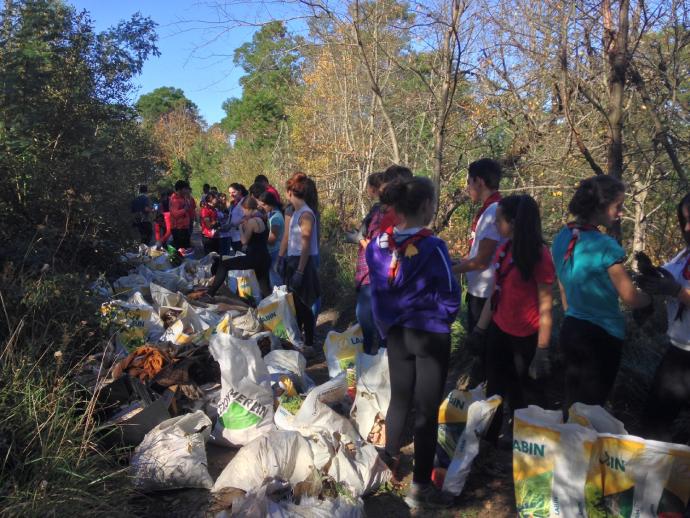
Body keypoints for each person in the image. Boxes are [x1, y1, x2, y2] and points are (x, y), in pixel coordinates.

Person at [366, 176, 460, 509]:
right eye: (433, 203)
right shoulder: (434, 247)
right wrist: (443, 318)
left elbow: (376, 293)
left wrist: (385, 328)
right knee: (426, 409)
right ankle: (419, 485)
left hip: (397, 334)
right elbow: (450, 292)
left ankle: (389, 459)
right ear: (424, 206)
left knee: (400, 399)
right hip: (430, 334)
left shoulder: (377, 244)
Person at [552, 175, 651, 414]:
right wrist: (652, 297)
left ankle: (565, 448)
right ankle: (582, 450)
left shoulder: (562, 237)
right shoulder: (605, 246)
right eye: (618, 206)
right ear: (600, 205)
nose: (620, 212)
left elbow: (562, 284)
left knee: (572, 402)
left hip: (571, 329)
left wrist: (573, 313)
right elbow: (630, 297)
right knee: (591, 410)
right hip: (601, 337)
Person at [470, 195, 555, 445]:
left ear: (515, 222)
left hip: (526, 336)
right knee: (495, 387)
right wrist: (479, 329)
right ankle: (489, 437)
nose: (495, 224)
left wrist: (542, 350)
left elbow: (546, 306)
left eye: (499, 220)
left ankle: (527, 441)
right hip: (500, 328)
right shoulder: (504, 249)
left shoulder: (540, 256)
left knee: (525, 392)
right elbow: (495, 293)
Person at [637, 194, 690, 444]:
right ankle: (652, 480)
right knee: (653, 423)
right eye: (684, 221)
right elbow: (665, 279)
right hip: (678, 353)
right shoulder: (684, 256)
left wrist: (676, 291)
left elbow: (676, 289)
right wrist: (650, 279)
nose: (687, 228)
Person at [453, 159, 504, 381]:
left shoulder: (493, 211)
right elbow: (479, 254)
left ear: (479, 181)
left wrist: (450, 269)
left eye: (469, 182)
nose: (467, 187)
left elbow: (483, 261)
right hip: (480, 292)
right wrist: (456, 261)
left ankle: (486, 406)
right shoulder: (490, 209)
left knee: (486, 357)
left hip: (486, 296)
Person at [276, 173, 320, 356]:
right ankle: (299, 341)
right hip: (293, 260)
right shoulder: (295, 213)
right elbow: (288, 237)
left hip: (303, 262)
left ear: (289, 193)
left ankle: (309, 344)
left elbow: (306, 244)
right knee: (295, 304)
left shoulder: (306, 214)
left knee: (304, 304)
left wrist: (300, 271)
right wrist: (281, 257)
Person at [348, 171, 385, 354]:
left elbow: (377, 247)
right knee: (368, 316)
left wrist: (359, 239)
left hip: (372, 272)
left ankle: (373, 355)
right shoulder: (377, 211)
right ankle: (373, 354)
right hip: (369, 272)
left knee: (367, 317)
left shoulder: (382, 213)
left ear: (373, 189)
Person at [205, 196, 272, 298]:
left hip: (254, 258)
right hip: (264, 257)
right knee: (265, 288)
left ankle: (210, 293)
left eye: (243, 210)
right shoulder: (262, 219)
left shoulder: (252, 221)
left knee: (224, 264)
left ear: (248, 208)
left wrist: (240, 228)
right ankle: (275, 308)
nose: (243, 213)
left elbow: (244, 241)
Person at [257, 191, 285, 288]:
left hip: (275, 252)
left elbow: (272, 239)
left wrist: (260, 236)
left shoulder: (275, 218)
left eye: (264, 205)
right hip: (274, 251)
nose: (262, 208)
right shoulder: (272, 215)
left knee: (276, 282)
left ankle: (281, 302)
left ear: (270, 204)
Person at [169, 180, 192, 249]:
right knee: (181, 251)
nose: (187, 190)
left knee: (186, 249)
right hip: (178, 229)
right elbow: (175, 214)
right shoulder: (174, 199)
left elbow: (189, 209)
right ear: (180, 189)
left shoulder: (183, 197)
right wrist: (184, 209)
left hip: (184, 228)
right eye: (185, 189)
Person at [228, 183, 248, 251]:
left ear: (240, 191)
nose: (231, 195)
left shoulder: (245, 202)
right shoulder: (234, 203)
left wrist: (233, 224)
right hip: (234, 236)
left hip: (241, 236)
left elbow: (247, 217)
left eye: (233, 192)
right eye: (229, 193)